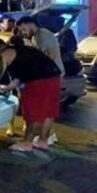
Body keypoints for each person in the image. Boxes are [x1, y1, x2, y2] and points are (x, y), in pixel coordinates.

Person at [0, 44, 62, 151]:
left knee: (34, 113)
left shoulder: (6, 53)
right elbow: (18, 77)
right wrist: (8, 87)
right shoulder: (24, 53)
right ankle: (42, 141)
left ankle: (27, 143)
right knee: (48, 112)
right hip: (53, 76)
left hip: (38, 80)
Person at [16, 16, 64, 145]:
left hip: (49, 76)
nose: (23, 32)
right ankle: (45, 138)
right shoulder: (36, 36)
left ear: (30, 23)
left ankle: (44, 138)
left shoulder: (44, 35)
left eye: (24, 28)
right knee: (47, 109)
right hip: (50, 75)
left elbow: (50, 56)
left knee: (44, 109)